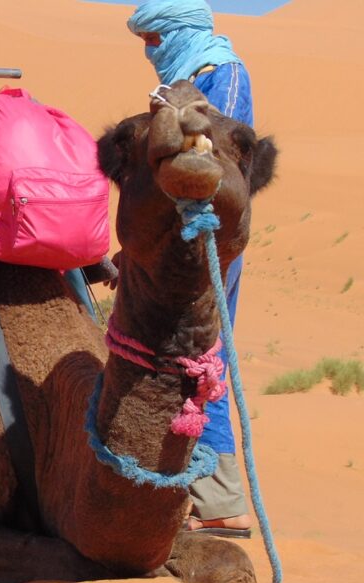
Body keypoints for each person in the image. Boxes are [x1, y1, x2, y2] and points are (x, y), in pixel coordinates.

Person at [127, 0, 254, 537]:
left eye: (155, 38)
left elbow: (216, 167)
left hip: (205, 244)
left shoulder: (220, 80)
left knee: (201, 360)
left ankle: (221, 501)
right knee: (183, 359)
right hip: (179, 244)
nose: (150, 51)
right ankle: (189, 489)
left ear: (179, 33)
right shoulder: (195, 80)